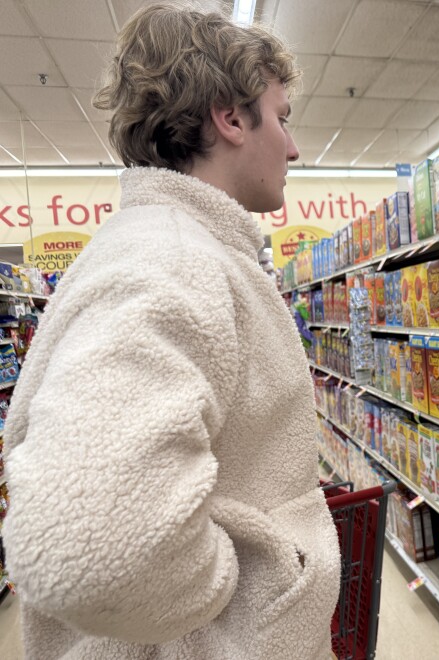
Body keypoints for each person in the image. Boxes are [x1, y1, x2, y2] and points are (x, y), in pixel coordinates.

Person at [2, 3, 340, 658]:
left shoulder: (178, 252)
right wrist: (248, 584)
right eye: (282, 117)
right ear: (232, 117)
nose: (293, 147)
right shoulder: (171, 260)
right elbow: (91, 544)